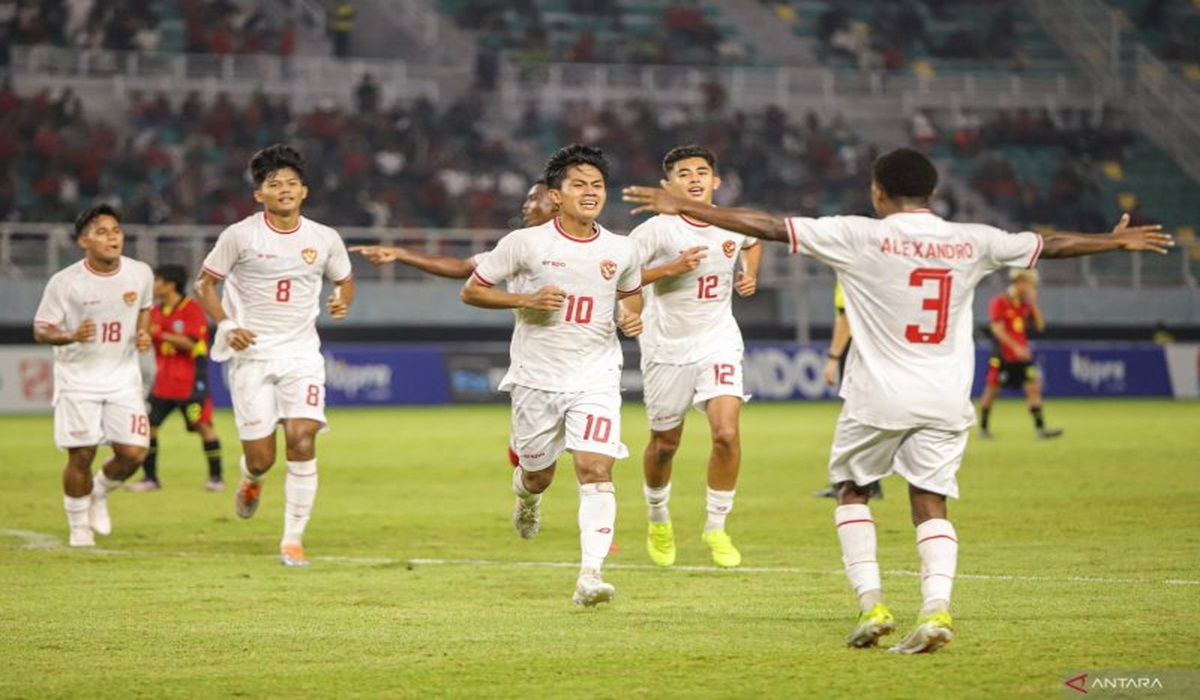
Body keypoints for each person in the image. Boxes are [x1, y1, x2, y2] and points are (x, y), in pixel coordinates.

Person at [624, 146, 1171, 653]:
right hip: (944, 398)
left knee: (852, 491)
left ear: (878, 193)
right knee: (931, 501)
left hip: (877, 396)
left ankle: (873, 606)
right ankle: (936, 611)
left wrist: (680, 206)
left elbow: (765, 227)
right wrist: (1111, 240)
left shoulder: (857, 235)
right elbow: (1047, 246)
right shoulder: (972, 239)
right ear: (931, 194)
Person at [461, 144, 643, 607]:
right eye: (578, 184)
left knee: (595, 468)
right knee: (537, 475)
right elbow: (472, 291)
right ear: (556, 195)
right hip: (537, 379)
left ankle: (590, 575)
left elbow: (631, 295)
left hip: (596, 376)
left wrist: (629, 315)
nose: (590, 192)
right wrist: (525, 300)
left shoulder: (622, 249)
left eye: (597, 185)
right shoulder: (526, 244)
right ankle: (526, 499)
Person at [194, 144, 355, 567]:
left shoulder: (324, 238)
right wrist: (227, 325)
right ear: (258, 195)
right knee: (262, 457)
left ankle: (292, 541)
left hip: (302, 354)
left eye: (290, 183)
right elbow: (204, 285)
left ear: (304, 191)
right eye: (273, 184)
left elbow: (345, 278)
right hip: (251, 356)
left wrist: (342, 298)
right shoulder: (240, 235)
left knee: (302, 440)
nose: (283, 189)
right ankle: (251, 479)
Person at [618, 144, 762, 569]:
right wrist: (662, 277)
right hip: (665, 348)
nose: (694, 178)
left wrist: (750, 273)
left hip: (718, 340)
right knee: (665, 444)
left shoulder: (733, 222)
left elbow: (754, 240)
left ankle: (716, 526)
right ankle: (658, 517)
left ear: (715, 181)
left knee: (726, 434)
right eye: (683, 173)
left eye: (702, 171)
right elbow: (619, 276)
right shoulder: (655, 232)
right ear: (668, 185)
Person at [352, 179, 558, 468]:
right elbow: (462, 268)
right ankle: (527, 500)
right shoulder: (516, 247)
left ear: (559, 201)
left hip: (589, 366)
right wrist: (402, 254)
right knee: (532, 465)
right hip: (533, 365)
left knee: (593, 465)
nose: (525, 205)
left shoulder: (595, 247)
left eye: (534, 198)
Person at [33, 204, 154, 547]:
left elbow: (145, 307)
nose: (112, 237)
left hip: (123, 379)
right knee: (81, 454)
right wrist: (70, 335)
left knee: (134, 454)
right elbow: (42, 330)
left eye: (115, 230)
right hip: (78, 380)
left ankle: (98, 493)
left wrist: (142, 333)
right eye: (102, 232)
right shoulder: (66, 282)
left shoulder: (140, 272)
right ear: (83, 241)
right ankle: (78, 528)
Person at [127, 264, 225, 492]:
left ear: (170, 285)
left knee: (202, 425)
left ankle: (216, 478)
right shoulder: (154, 311)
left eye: (157, 281)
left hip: (190, 384)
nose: (153, 286)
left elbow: (189, 343)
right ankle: (150, 479)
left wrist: (157, 333)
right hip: (163, 384)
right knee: (148, 427)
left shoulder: (191, 309)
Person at [814, 282, 883, 500]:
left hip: (858, 348)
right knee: (868, 415)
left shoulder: (849, 270)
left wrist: (833, 358)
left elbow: (846, 318)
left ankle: (858, 481)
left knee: (856, 416)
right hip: (878, 346)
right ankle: (869, 481)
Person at [977, 269, 1061, 439]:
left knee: (1033, 388)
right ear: (1020, 282)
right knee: (991, 390)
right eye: (1030, 284)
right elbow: (997, 330)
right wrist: (1015, 347)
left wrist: (1034, 303)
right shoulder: (999, 302)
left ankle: (1040, 429)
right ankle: (983, 429)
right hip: (1001, 356)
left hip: (1022, 356)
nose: (1032, 288)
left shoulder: (1024, 305)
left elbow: (1040, 326)